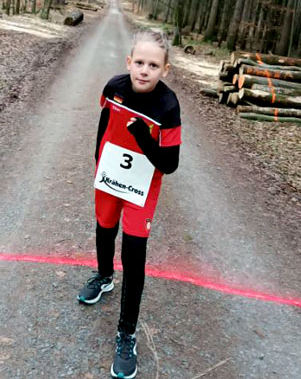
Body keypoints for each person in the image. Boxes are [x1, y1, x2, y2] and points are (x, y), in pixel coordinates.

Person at [77, 29, 181, 378]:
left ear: (164, 69)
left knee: (134, 253)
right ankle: (104, 276)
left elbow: (169, 164)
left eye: (154, 65)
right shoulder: (114, 87)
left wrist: (141, 136)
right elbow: (103, 124)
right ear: (129, 62)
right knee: (105, 227)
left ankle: (127, 333)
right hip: (110, 175)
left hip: (143, 184)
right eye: (139, 62)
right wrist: (98, 161)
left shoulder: (168, 105)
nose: (145, 70)